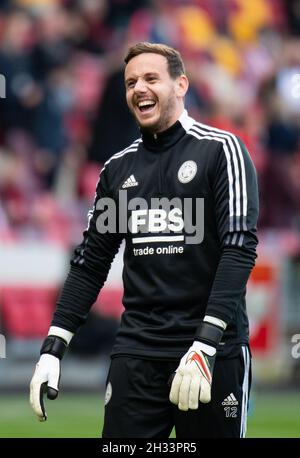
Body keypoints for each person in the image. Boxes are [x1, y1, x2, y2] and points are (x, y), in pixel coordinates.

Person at [30, 42, 259, 438]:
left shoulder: (222, 151)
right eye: (131, 82)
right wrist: (53, 346)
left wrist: (205, 343)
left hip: (211, 349)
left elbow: (239, 248)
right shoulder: (118, 170)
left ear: (181, 84)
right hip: (137, 352)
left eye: (151, 78)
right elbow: (91, 263)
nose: (139, 88)